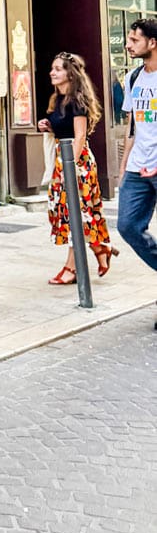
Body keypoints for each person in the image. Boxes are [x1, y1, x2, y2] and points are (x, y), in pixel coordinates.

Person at [37, 50, 116, 283]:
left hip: (76, 162)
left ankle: (72, 268)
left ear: (70, 74)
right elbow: (64, 130)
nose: (52, 72)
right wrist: (49, 126)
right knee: (71, 213)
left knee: (76, 214)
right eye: (52, 68)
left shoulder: (77, 101)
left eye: (58, 69)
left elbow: (80, 136)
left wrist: (70, 169)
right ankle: (100, 248)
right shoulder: (58, 99)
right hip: (64, 160)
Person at [115, 20, 157, 313]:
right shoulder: (132, 78)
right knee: (127, 226)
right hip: (137, 168)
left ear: (152, 43)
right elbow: (132, 126)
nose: (128, 45)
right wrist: (123, 168)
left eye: (134, 40)